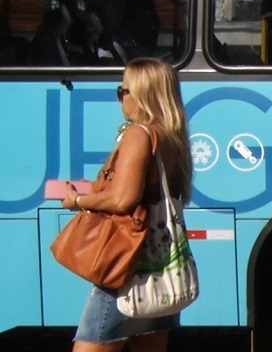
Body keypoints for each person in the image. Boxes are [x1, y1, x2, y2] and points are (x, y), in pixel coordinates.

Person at [61, 57, 194, 352]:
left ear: (143, 94)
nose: (120, 99)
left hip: (128, 271)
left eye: (123, 91)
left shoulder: (139, 134)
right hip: (161, 274)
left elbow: (124, 199)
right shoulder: (171, 137)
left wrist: (78, 200)